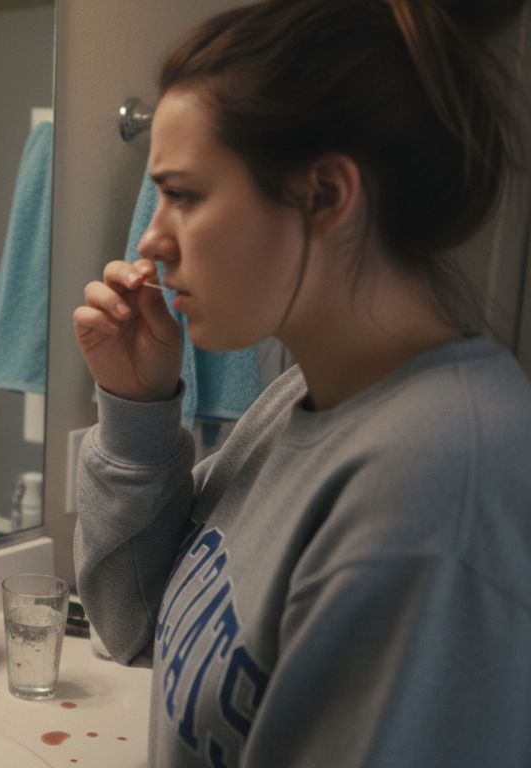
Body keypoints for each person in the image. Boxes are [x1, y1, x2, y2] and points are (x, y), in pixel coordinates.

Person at [72, 0, 531, 764]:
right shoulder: (299, 399)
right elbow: (133, 624)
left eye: (183, 194)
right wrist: (137, 408)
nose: (151, 239)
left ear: (325, 195)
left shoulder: (438, 482)